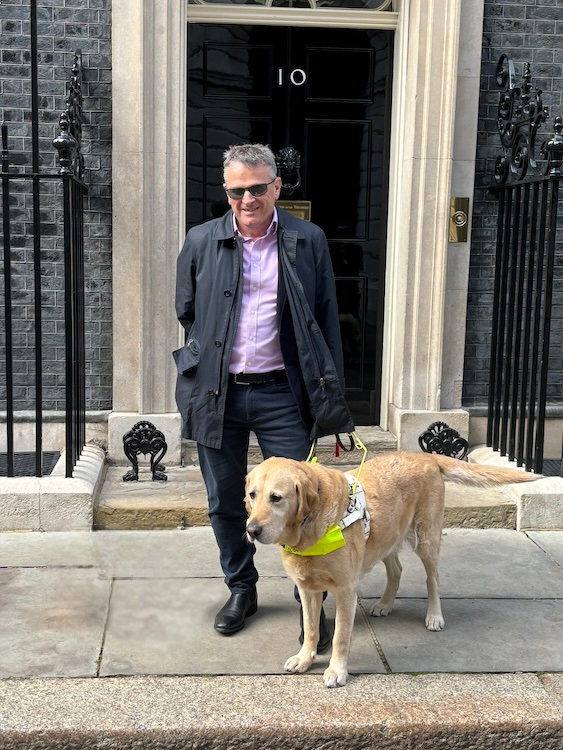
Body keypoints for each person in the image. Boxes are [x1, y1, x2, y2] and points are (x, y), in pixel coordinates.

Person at [174, 143, 352, 648]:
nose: (247, 199)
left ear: (276, 187)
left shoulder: (306, 238)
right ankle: (241, 588)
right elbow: (187, 309)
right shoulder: (202, 240)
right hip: (219, 392)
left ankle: (309, 598)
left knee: (307, 501)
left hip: (282, 393)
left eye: (257, 188)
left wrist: (329, 398)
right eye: (237, 190)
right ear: (226, 191)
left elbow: (322, 318)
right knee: (225, 501)